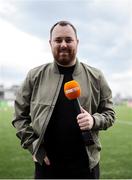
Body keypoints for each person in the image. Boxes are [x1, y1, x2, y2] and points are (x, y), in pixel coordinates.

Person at [12, 20, 115, 179]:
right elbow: (19, 117)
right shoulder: (34, 76)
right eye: (58, 40)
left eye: (68, 39)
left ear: (77, 42)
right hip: (47, 166)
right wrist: (34, 147)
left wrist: (93, 121)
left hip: (86, 166)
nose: (63, 44)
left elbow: (110, 114)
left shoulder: (97, 76)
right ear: (50, 43)